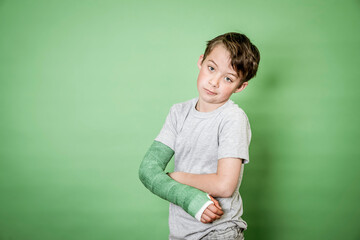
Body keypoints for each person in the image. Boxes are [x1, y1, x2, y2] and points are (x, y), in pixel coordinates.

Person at [139, 32, 260, 240]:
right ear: (201, 61)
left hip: (219, 231)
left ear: (240, 87)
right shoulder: (178, 112)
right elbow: (148, 170)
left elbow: (224, 185)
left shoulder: (233, 118)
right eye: (211, 68)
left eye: (228, 78)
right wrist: (190, 198)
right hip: (181, 232)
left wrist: (175, 178)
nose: (214, 82)